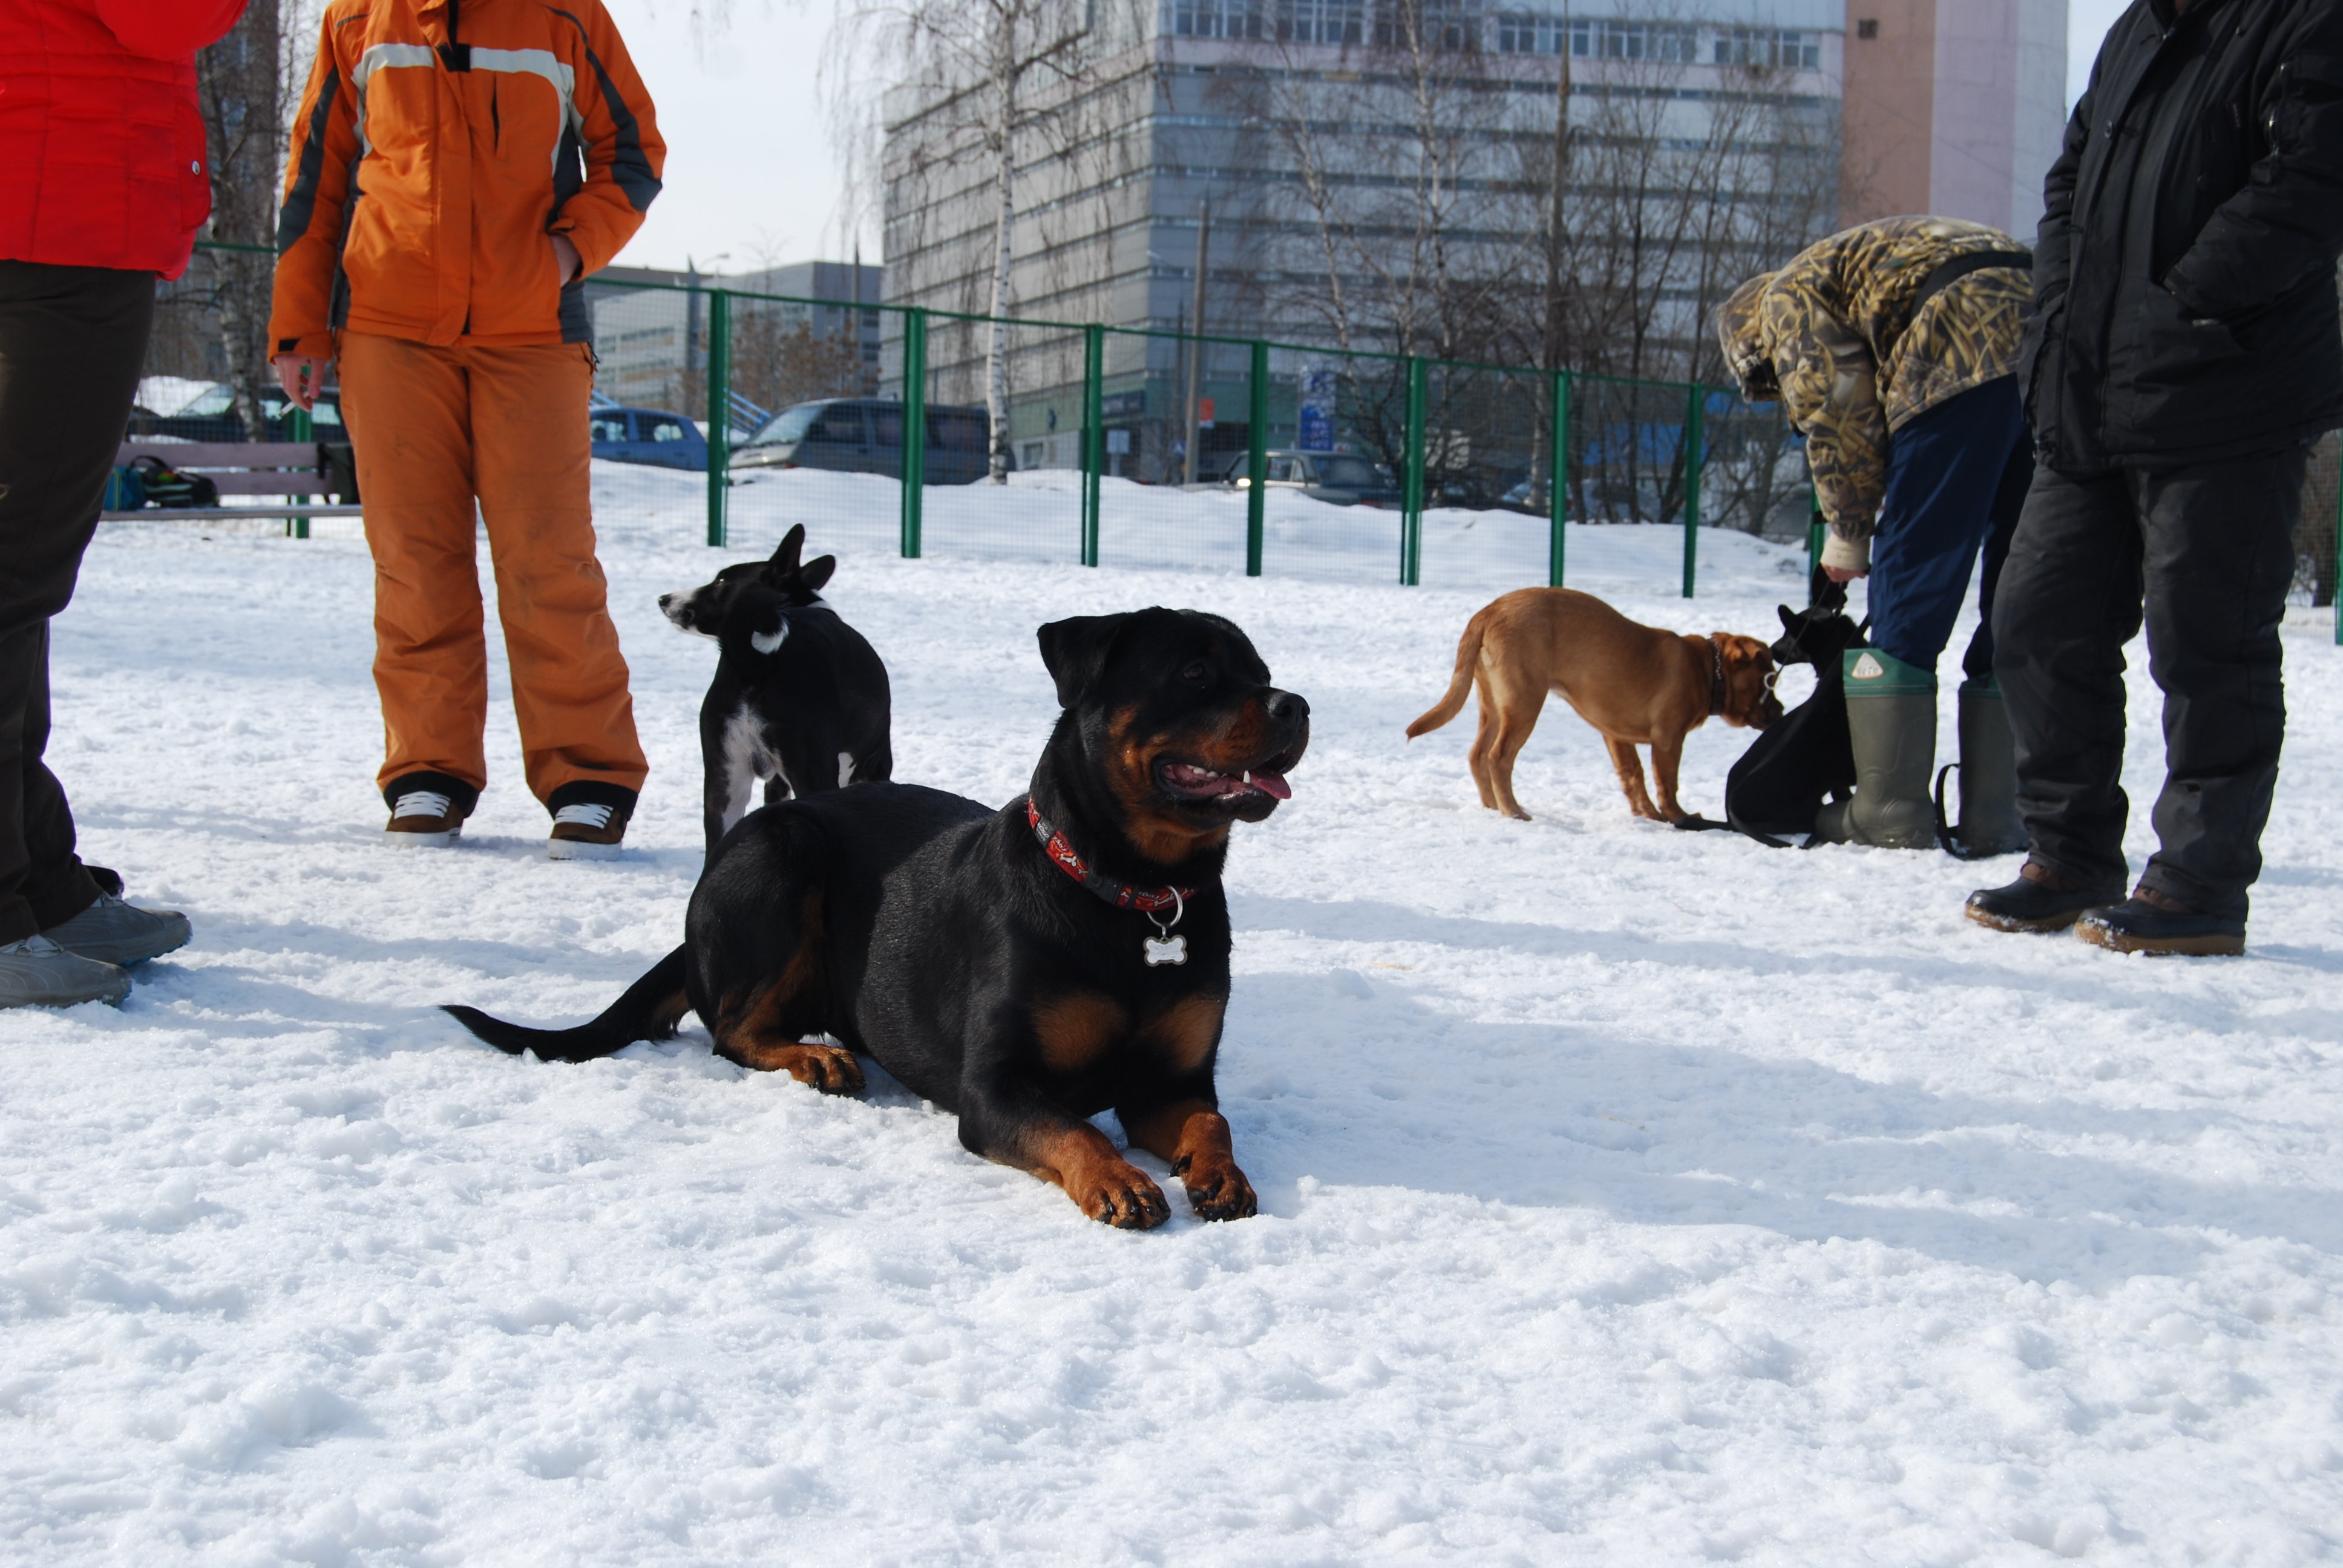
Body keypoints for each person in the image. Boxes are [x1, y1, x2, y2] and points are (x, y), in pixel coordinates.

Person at [1967, 0, 2343, 957]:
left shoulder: (2306, 21)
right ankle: (2069, 853)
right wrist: (2053, 319)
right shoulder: (2138, 27)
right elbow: (2068, 187)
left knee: (2207, 641)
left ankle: (2199, 885)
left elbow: (2311, 182)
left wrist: (2187, 305)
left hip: (2230, 390)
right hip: (2087, 388)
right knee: (2037, 616)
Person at [271, 0, 665, 858]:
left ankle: (589, 776)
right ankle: (429, 772)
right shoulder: (356, 18)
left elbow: (633, 156)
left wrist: (564, 255)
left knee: (548, 559)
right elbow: (317, 177)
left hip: (534, 334)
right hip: (386, 326)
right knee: (414, 558)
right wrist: (300, 324)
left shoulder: (566, 15)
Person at [0, 1, 243, 1008]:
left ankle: (40, 882)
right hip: (60, 215)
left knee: (21, 574)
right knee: (14, 566)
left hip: (49, 196)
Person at [1717, 217, 2036, 852]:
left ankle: (1888, 811)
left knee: (1913, 566)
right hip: (2051, 328)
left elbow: (1836, 411)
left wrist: (1847, 534)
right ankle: (1999, 812)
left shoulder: (1783, 301)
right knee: (2025, 576)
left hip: (1956, 337)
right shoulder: (1851, 269)